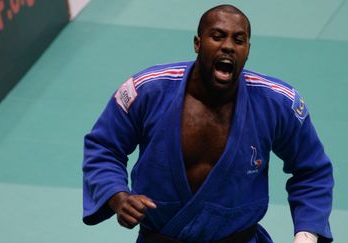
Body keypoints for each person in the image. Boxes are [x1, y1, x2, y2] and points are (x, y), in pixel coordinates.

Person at [82, 4, 334, 243]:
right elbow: (104, 148)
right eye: (217, 36)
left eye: (238, 39)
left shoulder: (277, 102)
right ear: (197, 43)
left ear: (247, 48)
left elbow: (311, 170)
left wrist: (307, 235)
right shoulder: (147, 90)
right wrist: (118, 197)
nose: (228, 47)